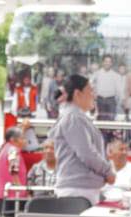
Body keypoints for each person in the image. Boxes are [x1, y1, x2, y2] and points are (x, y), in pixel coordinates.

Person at [47, 75, 113, 204]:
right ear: (77, 94)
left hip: (82, 190)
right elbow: (87, 153)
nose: (94, 95)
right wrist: (108, 172)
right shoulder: (73, 118)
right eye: (90, 91)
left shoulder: (75, 117)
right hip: (78, 191)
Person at [0, 126, 28, 217]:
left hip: (3, 193)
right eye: (22, 138)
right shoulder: (13, 150)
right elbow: (13, 168)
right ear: (13, 140)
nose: (25, 141)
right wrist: (20, 188)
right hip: (13, 195)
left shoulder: (4, 148)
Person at [89, 55, 124, 121]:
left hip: (111, 101)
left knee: (111, 121)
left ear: (111, 63)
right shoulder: (97, 73)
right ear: (103, 62)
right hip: (100, 100)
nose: (107, 63)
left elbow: (119, 91)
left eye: (109, 61)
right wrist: (93, 95)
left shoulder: (115, 75)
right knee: (101, 121)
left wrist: (119, 101)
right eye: (106, 61)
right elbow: (90, 84)